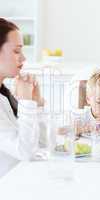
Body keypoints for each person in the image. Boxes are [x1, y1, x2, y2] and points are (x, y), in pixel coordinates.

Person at [0, 18, 44, 177]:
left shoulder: (4, 95)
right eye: (16, 51)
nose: (23, 58)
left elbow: (41, 142)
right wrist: (26, 102)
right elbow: (26, 152)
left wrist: (36, 104)